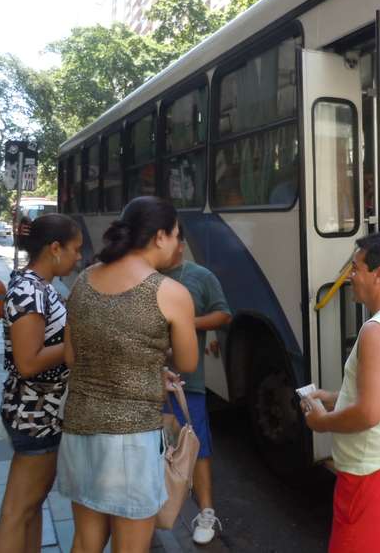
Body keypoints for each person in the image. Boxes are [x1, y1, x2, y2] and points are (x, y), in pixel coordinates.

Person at [58, 196, 198, 553]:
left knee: (85, 542)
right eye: (176, 235)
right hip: (131, 441)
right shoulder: (172, 293)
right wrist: (153, 362)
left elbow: (73, 358)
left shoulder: (84, 280)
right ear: (160, 237)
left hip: (79, 430)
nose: (178, 244)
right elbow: (188, 362)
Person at [303, 233, 380, 553]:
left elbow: (369, 413)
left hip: (373, 479)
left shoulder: (376, 331)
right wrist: (337, 396)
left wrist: (323, 422)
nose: (350, 276)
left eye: (356, 268)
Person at [0, 214, 82, 553]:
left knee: (30, 508)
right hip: (35, 415)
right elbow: (28, 362)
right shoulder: (29, 289)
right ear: (55, 248)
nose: (79, 257)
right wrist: (74, 344)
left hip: (43, 413)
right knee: (17, 511)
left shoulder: (38, 286)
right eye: (75, 249)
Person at [162, 225, 231, 544]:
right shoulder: (143, 275)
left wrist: (186, 323)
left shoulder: (200, 276)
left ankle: (206, 512)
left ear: (180, 243)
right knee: (154, 447)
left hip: (189, 382)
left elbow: (223, 314)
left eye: (176, 237)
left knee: (196, 445)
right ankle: (153, 507)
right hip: (147, 381)